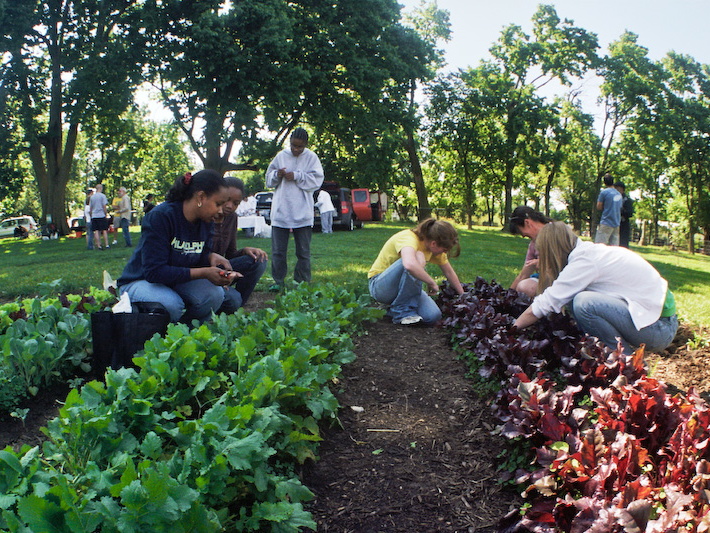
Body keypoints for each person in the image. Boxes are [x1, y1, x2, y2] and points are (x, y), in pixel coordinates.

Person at [513, 221, 678, 354]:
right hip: (657, 320)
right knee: (576, 299)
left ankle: (629, 365)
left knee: (584, 303)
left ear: (552, 252)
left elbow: (544, 304)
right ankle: (613, 358)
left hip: (660, 328)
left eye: (542, 253)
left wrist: (510, 330)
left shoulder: (584, 262)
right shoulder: (586, 253)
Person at [117, 170, 239, 324]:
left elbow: (192, 255)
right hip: (141, 280)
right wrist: (205, 272)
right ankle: (157, 334)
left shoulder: (206, 221)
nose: (221, 210)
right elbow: (154, 272)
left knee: (215, 294)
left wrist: (209, 258)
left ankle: (186, 331)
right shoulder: (161, 216)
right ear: (201, 197)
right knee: (172, 304)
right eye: (218, 204)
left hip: (174, 281)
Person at [368, 218, 464, 326]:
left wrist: (463, 296)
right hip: (380, 287)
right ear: (434, 243)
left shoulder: (433, 249)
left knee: (433, 316)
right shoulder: (408, 238)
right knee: (417, 259)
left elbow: (449, 273)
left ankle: (391, 310)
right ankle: (402, 312)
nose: (444, 253)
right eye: (444, 249)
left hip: (403, 290)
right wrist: (431, 282)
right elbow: (409, 264)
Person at [265, 127, 324, 291]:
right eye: (293, 146)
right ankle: (278, 281)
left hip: (302, 211)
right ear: (289, 142)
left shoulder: (312, 158)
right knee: (278, 251)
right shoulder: (281, 156)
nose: (296, 149)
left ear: (306, 144)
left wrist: (297, 176)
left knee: (303, 252)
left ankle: (302, 282)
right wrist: (278, 175)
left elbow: (317, 181)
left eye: (300, 146)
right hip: (281, 210)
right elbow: (268, 180)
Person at [212, 176, 268, 310]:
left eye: (236, 203)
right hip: (202, 270)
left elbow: (230, 254)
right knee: (232, 300)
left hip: (222, 268)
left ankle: (239, 302)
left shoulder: (232, 218)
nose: (230, 206)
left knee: (258, 259)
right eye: (227, 200)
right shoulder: (205, 215)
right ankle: (226, 298)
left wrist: (244, 251)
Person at [508, 206, 552, 297]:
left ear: (527, 222)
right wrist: (508, 294)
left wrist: (542, 262)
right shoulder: (533, 244)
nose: (523, 236)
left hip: (564, 278)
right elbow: (523, 275)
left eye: (520, 231)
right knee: (524, 286)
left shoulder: (557, 232)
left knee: (526, 287)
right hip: (544, 279)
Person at [595, 172, 623, 246]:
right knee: (614, 247)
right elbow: (619, 207)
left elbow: (599, 206)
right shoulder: (619, 194)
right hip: (616, 223)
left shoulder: (604, 192)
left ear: (604, 182)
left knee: (599, 245)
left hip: (606, 222)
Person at [89, 183, 110, 250]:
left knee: (96, 231)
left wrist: (91, 214)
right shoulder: (103, 196)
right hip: (101, 215)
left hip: (94, 216)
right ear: (100, 188)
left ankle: (99, 245)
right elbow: (104, 206)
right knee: (104, 230)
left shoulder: (92, 197)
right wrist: (106, 213)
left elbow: (91, 207)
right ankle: (106, 244)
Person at [615, 181, 634, 249]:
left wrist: (621, 210)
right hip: (614, 223)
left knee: (623, 244)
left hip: (623, 225)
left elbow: (630, 213)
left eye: (618, 189)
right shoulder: (613, 199)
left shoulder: (627, 200)